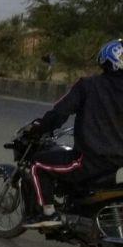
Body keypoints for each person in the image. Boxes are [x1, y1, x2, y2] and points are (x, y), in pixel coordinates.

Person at [23, 38, 123, 228]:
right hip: (119, 162)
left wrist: (37, 129)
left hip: (92, 161)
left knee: (38, 163)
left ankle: (49, 214)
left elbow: (59, 114)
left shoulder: (88, 85)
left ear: (106, 60)